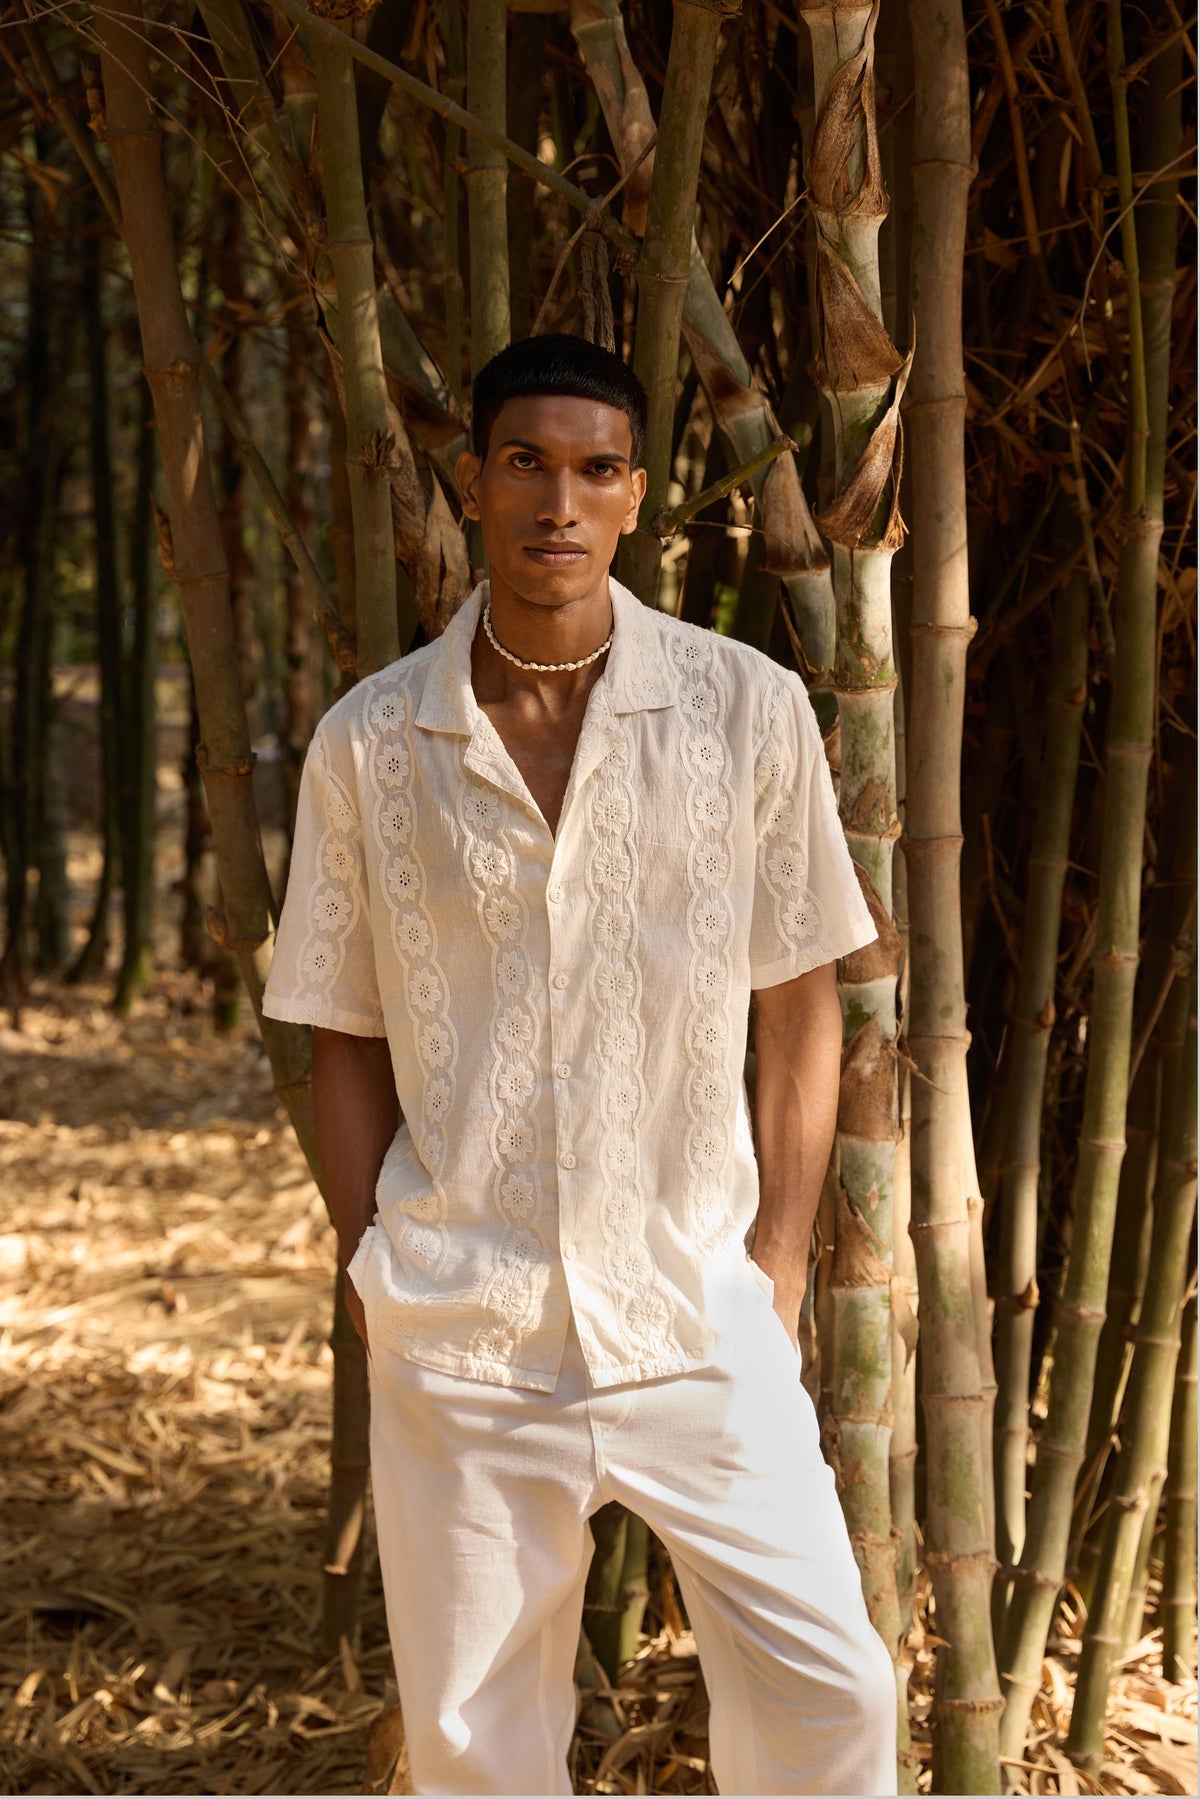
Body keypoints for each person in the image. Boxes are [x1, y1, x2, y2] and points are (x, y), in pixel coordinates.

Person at [263, 333, 898, 1796]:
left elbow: (803, 999)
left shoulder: (746, 709)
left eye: (597, 469)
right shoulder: (370, 742)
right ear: (476, 482)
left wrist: (782, 1260)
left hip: (693, 1301)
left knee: (836, 1695)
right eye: (528, 463)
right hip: (462, 1313)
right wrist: (371, 1259)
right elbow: (339, 1026)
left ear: (636, 496)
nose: (560, 499)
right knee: (478, 1748)